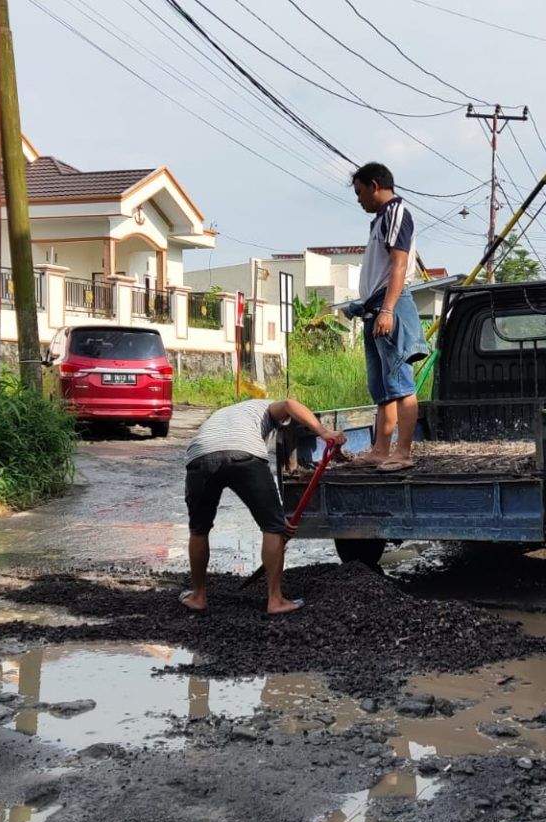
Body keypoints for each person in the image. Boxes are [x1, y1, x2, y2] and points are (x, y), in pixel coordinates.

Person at [180, 398, 345, 615]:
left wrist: (277, 517)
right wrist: (323, 432)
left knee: (199, 529)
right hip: (243, 453)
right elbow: (288, 404)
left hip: (200, 457)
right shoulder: (265, 406)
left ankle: (198, 596)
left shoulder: (224, 414)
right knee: (272, 528)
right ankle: (275, 600)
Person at [344, 162, 430, 473]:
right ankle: (381, 450)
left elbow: (398, 263)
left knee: (400, 383)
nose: (358, 199)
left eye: (360, 192)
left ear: (375, 185)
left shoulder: (396, 213)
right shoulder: (380, 220)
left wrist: (388, 309)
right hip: (374, 308)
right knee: (381, 386)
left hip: (388, 307)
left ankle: (403, 452)